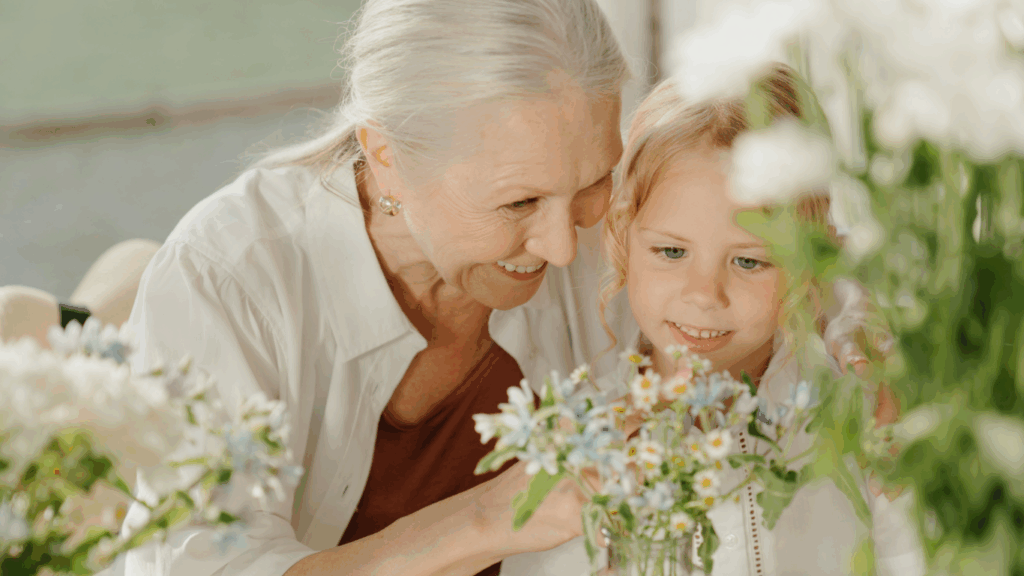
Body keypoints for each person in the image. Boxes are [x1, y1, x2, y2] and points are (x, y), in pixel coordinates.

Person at [116, 2, 872, 575]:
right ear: (386, 156)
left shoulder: (599, 218)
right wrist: (488, 518)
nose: (564, 246)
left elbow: (785, 252)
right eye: (518, 203)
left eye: (593, 181)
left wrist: (870, 334)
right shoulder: (227, 278)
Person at [506, 65, 925, 575]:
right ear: (622, 236)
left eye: (749, 261)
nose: (704, 295)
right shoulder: (584, 442)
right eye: (671, 252)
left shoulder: (860, 414)